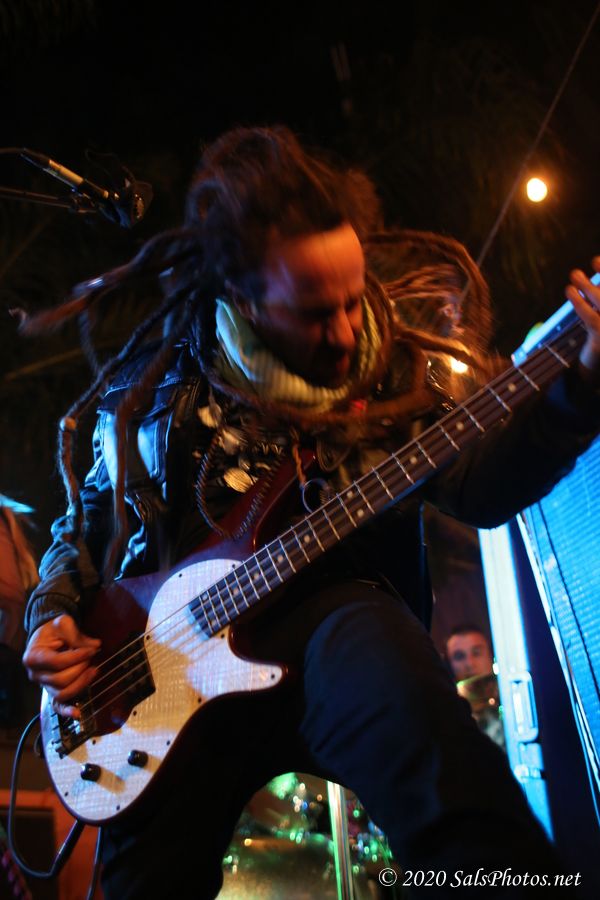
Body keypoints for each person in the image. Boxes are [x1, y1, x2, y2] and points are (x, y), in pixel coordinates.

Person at [19, 126, 600, 898]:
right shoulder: (154, 380)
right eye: (317, 312)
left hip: (335, 624)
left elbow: (480, 488)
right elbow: (86, 519)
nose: (349, 331)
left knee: (446, 780)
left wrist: (581, 390)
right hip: (156, 674)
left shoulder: (395, 368)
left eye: (354, 300)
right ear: (242, 299)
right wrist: (52, 611)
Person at [0, 494, 38, 726]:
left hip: (7, 603)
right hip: (12, 603)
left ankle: (13, 721)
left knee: (8, 659)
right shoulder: (6, 523)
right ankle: (14, 720)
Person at [445, 623, 505, 751]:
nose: (469, 663)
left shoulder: (511, 697)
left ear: (491, 656)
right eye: (459, 656)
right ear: (449, 665)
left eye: (477, 653)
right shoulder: (449, 717)